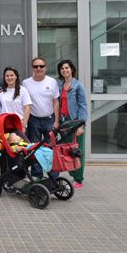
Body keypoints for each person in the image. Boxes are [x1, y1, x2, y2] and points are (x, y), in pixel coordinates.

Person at [22, 57, 60, 178]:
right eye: (36, 66)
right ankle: (37, 176)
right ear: (32, 68)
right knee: (35, 149)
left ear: (46, 68)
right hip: (34, 120)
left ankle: (54, 176)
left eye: (41, 66)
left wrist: (57, 121)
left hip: (49, 120)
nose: (39, 68)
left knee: (51, 149)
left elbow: (56, 102)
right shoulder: (26, 83)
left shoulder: (52, 82)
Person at [57, 59, 88, 189]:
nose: (65, 70)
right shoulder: (60, 85)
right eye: (62, 68)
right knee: (68, 149)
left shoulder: (78, 85)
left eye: (67, 68)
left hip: (74, 121)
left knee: (77, 150)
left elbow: (83, 105)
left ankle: (78, 179)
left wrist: (81, 124)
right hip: (64, 121)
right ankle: (72, 174)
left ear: (72, 69)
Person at [0, 67, 31, 174]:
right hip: (4, 127)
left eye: (12, 75)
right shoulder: (1, 91)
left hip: (18, 126)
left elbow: (27, 108)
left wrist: (23, 126)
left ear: (16, 77)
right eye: (7, 75)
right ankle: (5, 177)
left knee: (18, 151)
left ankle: (19, 177)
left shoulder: (23, 90)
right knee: (4, 152)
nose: (9, 77)